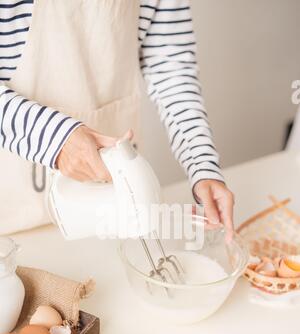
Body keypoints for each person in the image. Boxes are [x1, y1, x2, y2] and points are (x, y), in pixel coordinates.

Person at [0, 0, 234, 237]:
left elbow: (170, 69)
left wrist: (202, 166)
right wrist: (55, 138)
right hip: (11, 227)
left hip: (109, 214)